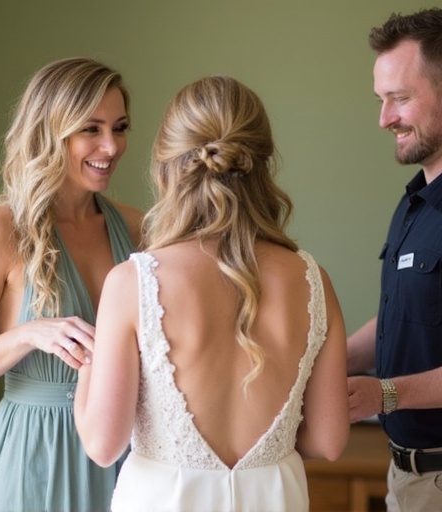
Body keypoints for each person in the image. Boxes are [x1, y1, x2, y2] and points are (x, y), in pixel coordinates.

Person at [74, 75, 349, 512]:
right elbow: (329, 441)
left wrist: (89, 360)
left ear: (166, 165)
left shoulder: (135, 282)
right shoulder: (312, 279)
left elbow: (103, 445)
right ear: (262, 161)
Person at [0, 57, 143, 512]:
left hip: (127, 455)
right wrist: (27, 334)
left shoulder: (139, 228)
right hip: (35, 458)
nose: (111, 146)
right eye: (91, 129)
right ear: (50, 131)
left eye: (120, 127)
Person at [346, 7, 442, 511]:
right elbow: (407, 319)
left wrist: (384, 394)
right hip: (404, 475)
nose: (384, 119)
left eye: (400, 99)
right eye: (381, 101)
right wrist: (327, 363)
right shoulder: (414, 204)